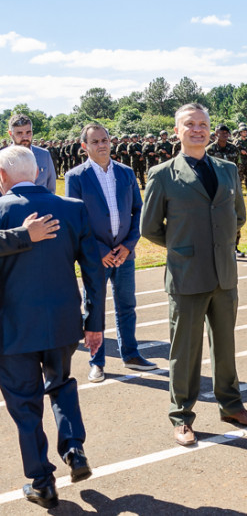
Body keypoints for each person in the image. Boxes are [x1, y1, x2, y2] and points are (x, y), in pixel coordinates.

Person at [140, 103, 247, 447]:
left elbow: (238, 216)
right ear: (177, 131)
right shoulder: (162, 174)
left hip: (224, 273)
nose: (198, 130)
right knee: (185, 351)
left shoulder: (227, 170)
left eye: (203, 124)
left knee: (225, 346)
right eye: (190, 124)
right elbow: (149, 227)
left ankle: (231, 405)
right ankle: (181, 416)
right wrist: (183, 247)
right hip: (187, 275)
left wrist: (217, 245)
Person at [0, 146, 103, 509]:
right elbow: (94, 270)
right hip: (62, 322)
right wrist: (95, 323)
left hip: (11, 329)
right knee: (61, 385)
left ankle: (42, 482)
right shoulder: (72, 208)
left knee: (25, 405)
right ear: (40, 172)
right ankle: (74, 450)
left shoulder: (1, 211)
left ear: (2, 176)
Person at [65, 123, 157, 383]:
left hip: (125, 254)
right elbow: (76, 220)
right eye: (94, 142)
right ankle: (97, 362)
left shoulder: (126, 173)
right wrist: (101, 250)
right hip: (96, 256)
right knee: (94, 308)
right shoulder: (76, 177)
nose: (101, 145)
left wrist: (128, 245)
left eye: (104, 139)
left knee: (127, 305)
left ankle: (131, 354)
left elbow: (139, 212)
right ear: (84, 146)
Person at [5, 113, 56, 193]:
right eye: (19, 133)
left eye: (28, 132)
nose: (25, 137)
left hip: (41, 205)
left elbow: (51, 188)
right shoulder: (3, 158)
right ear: (10, 134)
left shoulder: (44, 155)